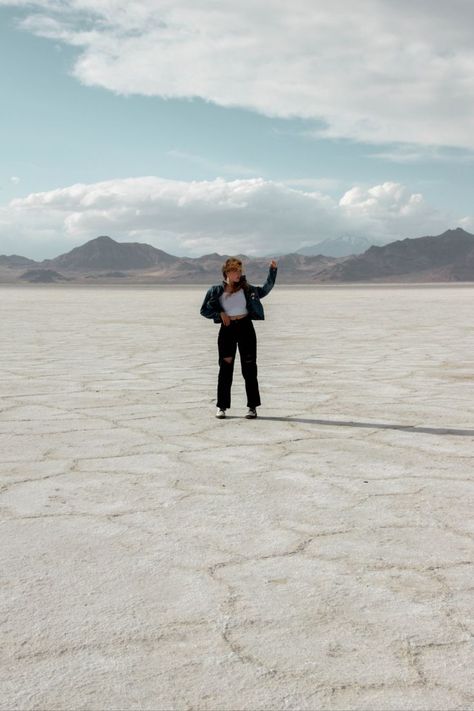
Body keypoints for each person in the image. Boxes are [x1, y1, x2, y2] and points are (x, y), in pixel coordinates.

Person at [200, 257, 278, 419]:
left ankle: (252, 407)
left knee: (249, 369)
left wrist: (272, 271)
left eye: (240, 271)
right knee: (225, 369)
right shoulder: (215, 291)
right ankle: (222, 407)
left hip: (245, 328)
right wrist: (220, 314)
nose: (239, 274)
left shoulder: (247, 289)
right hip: (227, 331)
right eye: (235, 271)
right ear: (227, 272)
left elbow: (266, 289)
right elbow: (204, 310)